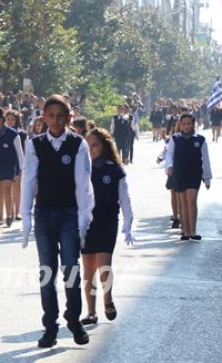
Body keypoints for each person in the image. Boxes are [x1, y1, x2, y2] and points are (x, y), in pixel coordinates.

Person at [20, 94, 94, 348]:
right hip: (43, 213)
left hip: (69, 213)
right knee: (46, 271)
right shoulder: (35, 144)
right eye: (50, 115)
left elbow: (83, 184)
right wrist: (26, 217)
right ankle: (50, 326)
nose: (55, 120)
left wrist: (84, 217)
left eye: (60, 116)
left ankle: (73, 319)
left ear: (68, 117)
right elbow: (29, 181)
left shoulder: (77, 144)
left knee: (71, 268)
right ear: (43, 118)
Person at [80, 128, 134, 326]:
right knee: (88, 270)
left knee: (104, 266)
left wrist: (128, 223)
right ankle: (91, 311)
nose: (91, 149)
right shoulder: (82, 169)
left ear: (104, 146)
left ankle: (108, 299)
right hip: (86, 223)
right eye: (88, 146)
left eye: (95, 145)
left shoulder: (114, 169)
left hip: (107, 221)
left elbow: (125, 198)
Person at [165, 113, 212, 241]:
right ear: (180, 125)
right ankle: (185, 231)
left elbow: (206, 159)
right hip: (179, 174)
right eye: (184, 124)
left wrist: (207, 177)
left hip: (194, 174)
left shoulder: (200, 139)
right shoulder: (175, 138)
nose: (186, 126)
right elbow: (169, 155)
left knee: (191, 200)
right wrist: (169, 166)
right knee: (184, 203)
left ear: (193, 124)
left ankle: (193, 231)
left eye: (189, 124)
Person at [0, 107, 24, 227]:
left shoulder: (13, 134)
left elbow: (20, 153)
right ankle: (0, 217)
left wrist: (20, 170)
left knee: (7, 190)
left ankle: (9, 216)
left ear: (0, 120)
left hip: (10, 165)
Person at [6, 109, 28, 222]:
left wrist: (23, 166)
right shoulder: (3, 133)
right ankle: (8, 212)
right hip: (6, 163)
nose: (10, 122)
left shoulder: (23, 134)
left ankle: (17, 211)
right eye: (8, 119)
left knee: (16, 188)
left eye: (12, 119)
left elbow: (26, 150)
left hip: (19, 163)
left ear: (17, 120)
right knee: (6, 189)